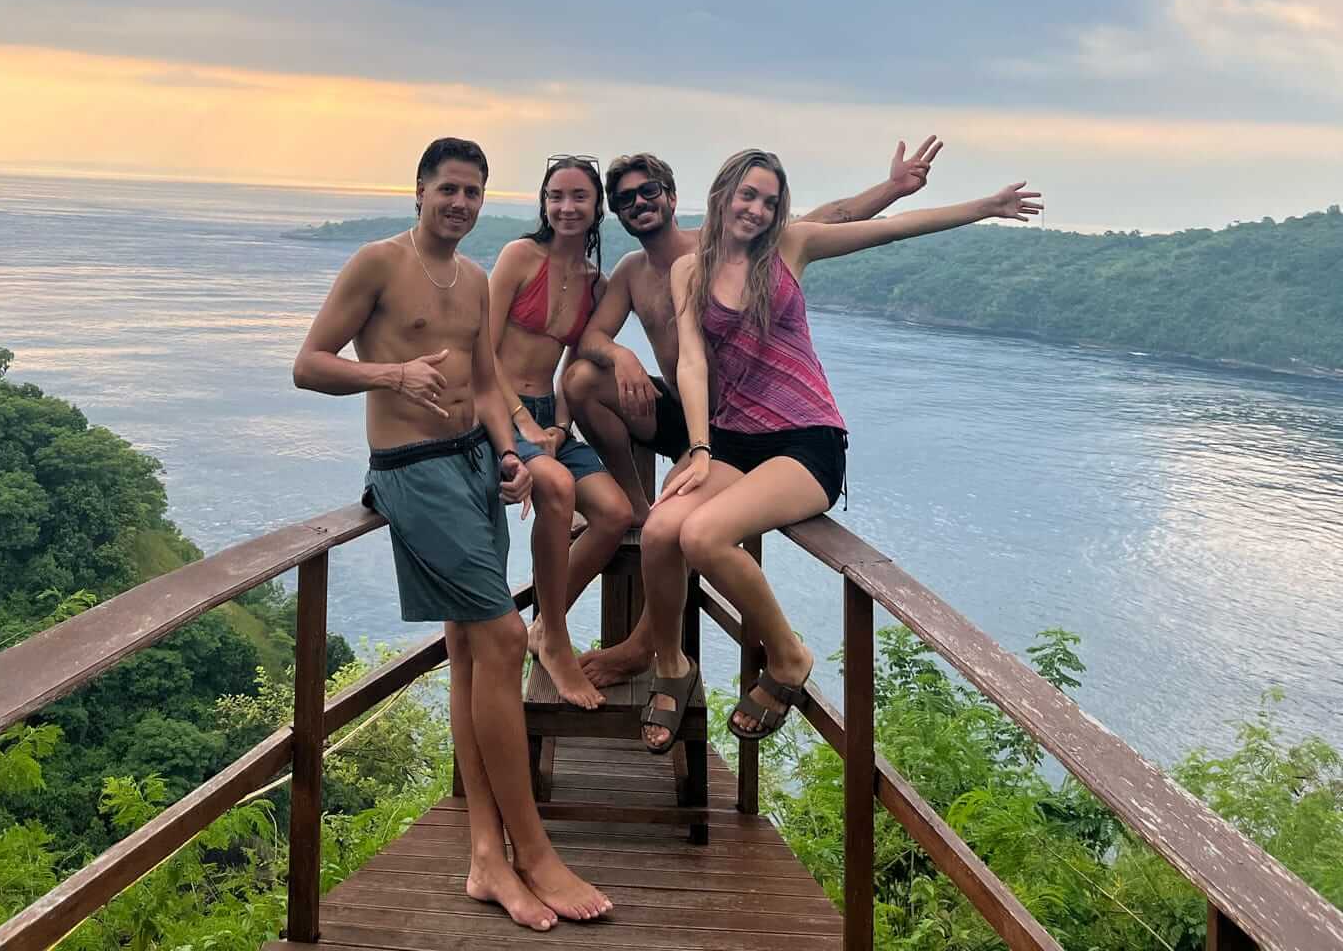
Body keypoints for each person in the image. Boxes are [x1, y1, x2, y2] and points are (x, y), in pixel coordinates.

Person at [292, 138, 611, 930]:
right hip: (412, 468)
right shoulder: (377, 263)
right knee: (504, 639)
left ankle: (484, 857)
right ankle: (531, 852)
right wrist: (392, 375)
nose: (461, 204)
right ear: (420, 192)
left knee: (473, 649)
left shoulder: (473, 280)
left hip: (474, 463)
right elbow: (308, 363)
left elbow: (486, 380)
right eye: (449, 190)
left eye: (473, 192)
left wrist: (510, 454)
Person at [636, 147, 1041, 755]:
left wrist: (986, 206)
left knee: (703, 536)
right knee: (661, 528)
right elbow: (691, 361)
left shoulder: (790, 249)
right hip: (733, 440)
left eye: (770, 201)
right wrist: (697, 447)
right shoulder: (688, 271)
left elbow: (890, 228)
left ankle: (790, 656)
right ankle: (671, 665)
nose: (757, 209)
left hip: (807, 442)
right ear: (722, 196)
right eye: (748, 195)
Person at [567, 139, 943, 690]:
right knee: (584, 382)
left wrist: (893, 189)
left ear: (674, 197)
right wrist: (621, 354)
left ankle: (647, 643)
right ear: (616, 213)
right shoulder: (630, 271)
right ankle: (635, 508)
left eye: (650, 191)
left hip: (742, 425)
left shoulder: (723, 247)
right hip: (693, 417)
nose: (639, 202)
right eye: (625, 199)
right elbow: (595, 339)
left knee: (693, 533)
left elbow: (825, 223)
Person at [489, 155, 634, 711]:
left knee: (615, 514)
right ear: (543, 203)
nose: (566, 208)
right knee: (558, 488)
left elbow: (575, 364)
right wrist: (524, 424)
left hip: (548, 413)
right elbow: (484, 348)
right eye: (556, 196)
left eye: (578, 197)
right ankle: (557, 638)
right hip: (499, 407)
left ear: (596, 206)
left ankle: (545, 627)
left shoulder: (594, 281)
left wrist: (560, 424)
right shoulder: (520, 256)